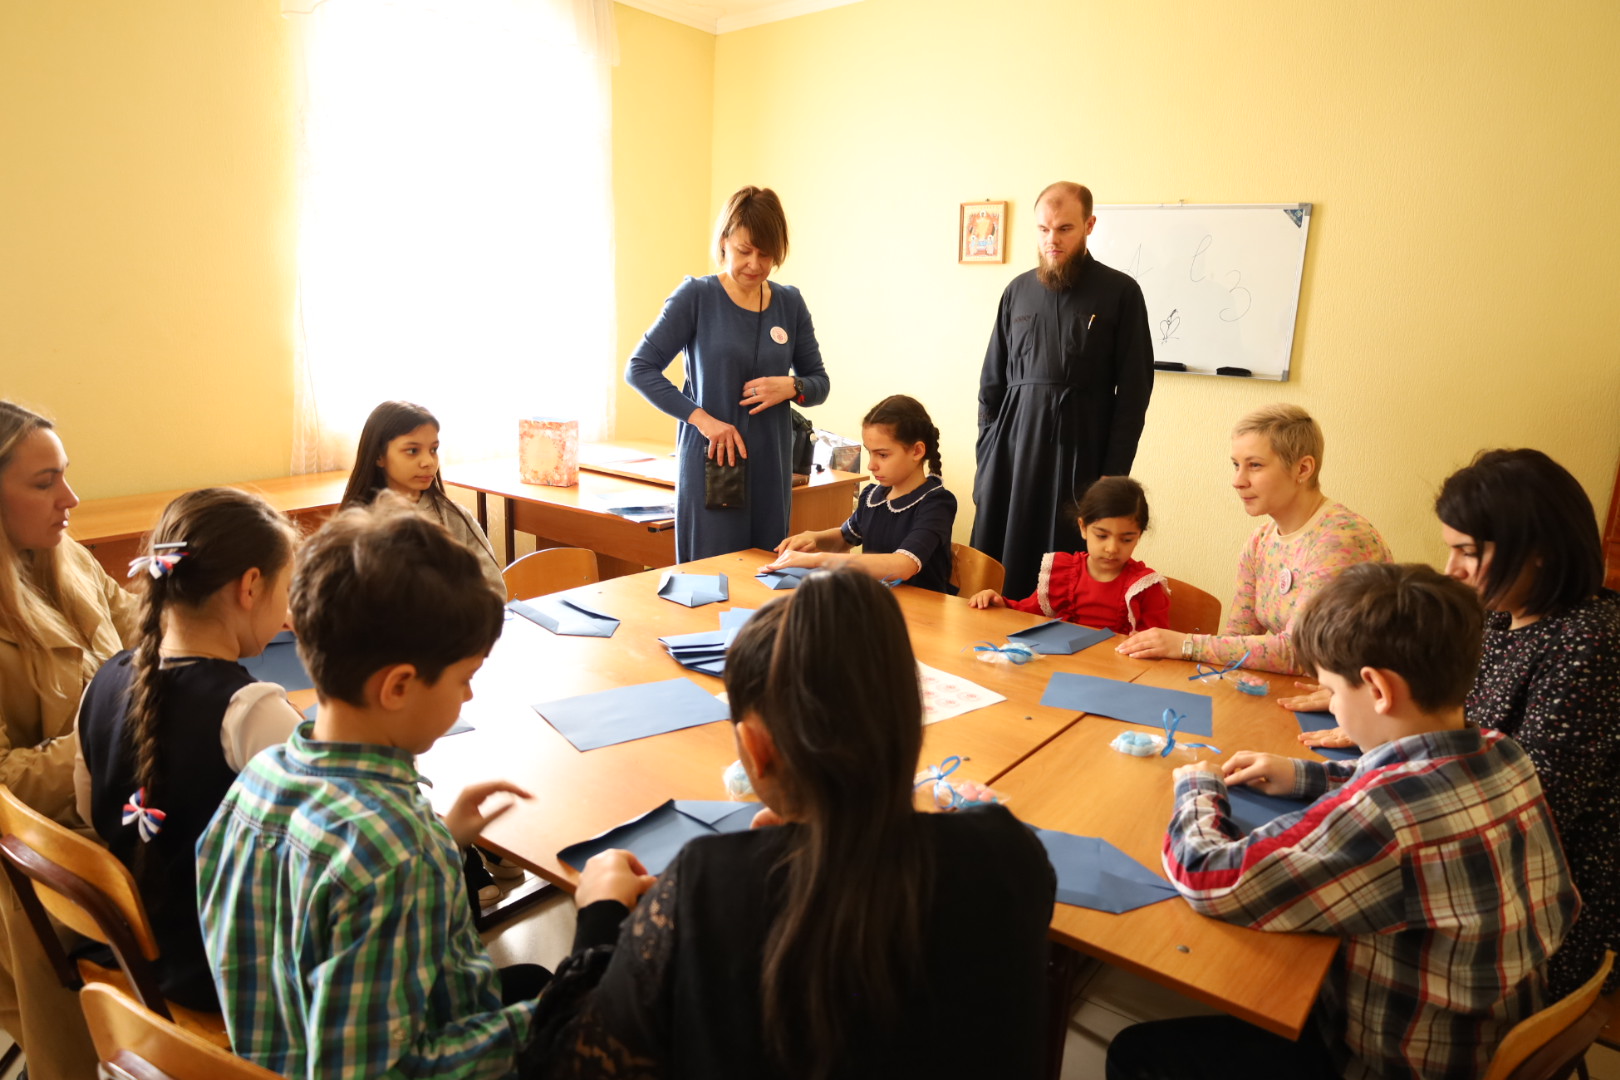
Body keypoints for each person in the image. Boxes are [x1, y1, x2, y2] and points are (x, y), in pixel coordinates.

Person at [522, 569, 1056, 1079]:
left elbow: (567, 1065)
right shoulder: (1013, 855)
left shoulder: (704, 881)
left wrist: (600, 915)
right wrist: (978, 829)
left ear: (754, 749)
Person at [1109, 563, 1578, 1080]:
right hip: (1485, 1026)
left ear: (1377, 689)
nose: (1331, 705)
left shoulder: (1384, 815)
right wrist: (1303, 775)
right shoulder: (1502, 751)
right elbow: (1412, 775)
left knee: (1136, 1051)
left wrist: (1196, 788)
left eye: (1332, 691)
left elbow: (1209, 876)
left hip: (1390, 1060)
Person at [196, 499, 540, 1079]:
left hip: (276, 1055)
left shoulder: (256, 781)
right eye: (464, 679)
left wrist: (442, 838)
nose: (469, 697)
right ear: (398, 686)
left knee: (532, 980)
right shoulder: (397, 852)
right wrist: (557, 1016)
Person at [1299, 448, 1620, 998]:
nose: (1451, 570)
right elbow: (1455, 726)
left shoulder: (1591, 643)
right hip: (1472, 850)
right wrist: (1369, 713)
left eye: (1468, 552)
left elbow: (1528, 802)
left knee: (1316, 937)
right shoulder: (1499, 616)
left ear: (1540, 551)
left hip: (1532, 909)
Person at [73, 488, 302, 1011]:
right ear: (250, 586)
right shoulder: (254, 712)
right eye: (287, 589)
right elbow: (334, 847)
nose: (288, 611)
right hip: (232, 975)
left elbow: (90, 812)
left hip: (139, 959)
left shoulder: (103, 682)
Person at [0, 400, 139, 1080]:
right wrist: (109, 733)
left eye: (65, 474)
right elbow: (4, 783)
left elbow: (146, 631)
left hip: (112, 807)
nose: (70, 499)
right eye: (44, 482)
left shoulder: (69, 557)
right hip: (34, 857)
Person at [625, 186, 830, 562]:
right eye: (744, 251)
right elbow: (639, 368)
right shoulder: (696, 296)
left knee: (765, 576)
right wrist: (703, 421)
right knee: (709, 578)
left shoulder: (789, 303)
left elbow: (819, 383)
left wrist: (791, 386)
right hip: (712, 464)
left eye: (765, 254)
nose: (755, 264)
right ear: (724, 242)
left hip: (771, 468)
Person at [971, 181, 1154, 599]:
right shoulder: (1017, 291)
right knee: (998, 567)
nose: (1052, 240)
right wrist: (987, 452)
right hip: (1011, 453)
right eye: (1043, 229)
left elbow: (1135, 391)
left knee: (1065, 571)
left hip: (1081, 451)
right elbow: (991, 383)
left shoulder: (1121, 292)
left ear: (1089, 225)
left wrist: (1113, 472)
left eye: (1064, 229)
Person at [1118, 403, 1389, 673]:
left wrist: (1185, 645)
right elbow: (1238, 638)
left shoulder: (1340, 539)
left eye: (1255, 465)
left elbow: (1301, 652)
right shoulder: (1260, 541)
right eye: (1236, 465)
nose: (1238, 480)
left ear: (1303, 469)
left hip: (1359, 693)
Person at [767, 395, 957, 593]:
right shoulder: (873, 496)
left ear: (917, 451)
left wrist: (817, 560)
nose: (871, 465)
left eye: (882, 455)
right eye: (870, 452)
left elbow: (903, 566)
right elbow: (845, 537)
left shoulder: (937, 503)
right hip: (877, 600)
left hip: (923, 608)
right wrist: (813, 538)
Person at [342, 400, 506, 598]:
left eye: (433, 450)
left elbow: (494, 591)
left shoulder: (456, 517)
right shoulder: (355, 526)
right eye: (412, 451)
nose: (428, 462)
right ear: (379, 456)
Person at [970, 475, 1169, 635]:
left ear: (1138, 536)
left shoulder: (1145, 587)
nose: (1112, 548)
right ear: (1083, 527)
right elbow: (1028, 613)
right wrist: (1001, 603)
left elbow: (1156, 642)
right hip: (1062, 667)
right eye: (1102, 536)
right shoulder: (1063, 572)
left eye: (1126, 539)